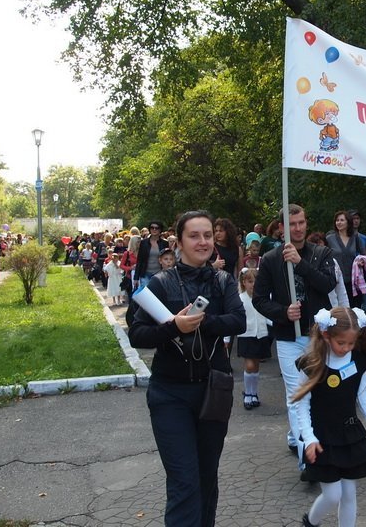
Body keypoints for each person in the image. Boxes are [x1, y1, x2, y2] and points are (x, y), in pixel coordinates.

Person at [128, 210, 246, 526]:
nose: (203, 241)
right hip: (170, 395)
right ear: (178, 242)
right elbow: (137, 334)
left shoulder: (223, 281)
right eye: (194, 236)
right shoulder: (161, 282)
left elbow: (239, 320)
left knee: (207, 477)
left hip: (214, 392)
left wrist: (201, 322)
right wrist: (174, 327)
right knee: (184, 480)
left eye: (207, 235)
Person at [253, 204, 337, 467]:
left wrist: (300, 264)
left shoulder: (321, 253)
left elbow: (328, 284)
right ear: (281, 228)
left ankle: (298, 435)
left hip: (318, 335)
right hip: (289, 337)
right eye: (292, 224)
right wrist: (282, 312)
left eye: (301, 222)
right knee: (298, 393)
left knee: (319, 391)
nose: (298, 228)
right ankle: (307, 457)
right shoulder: (270, 259)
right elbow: (259, 299)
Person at [294, 307, 366, 527]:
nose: (346, 348)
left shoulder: (358, 361)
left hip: (348, 436)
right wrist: (308, 438)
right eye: (341, 343)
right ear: (326, 335)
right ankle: (310, 523)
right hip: (322, 440)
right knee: (332, 495)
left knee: (349, 494)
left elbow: (363, 396)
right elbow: (301, 405)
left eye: (351, 343)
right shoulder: (311, 364)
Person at [237, 267, 271, 409]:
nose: (253, 284)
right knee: (249, 365)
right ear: (244, 282)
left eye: (256, 281)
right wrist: (226, 339)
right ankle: (247, 393)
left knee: (256, 366)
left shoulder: (263, 298)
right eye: (250, 281)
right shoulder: (240, 299)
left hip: (261, 334)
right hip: (246, 335)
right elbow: (235, 317)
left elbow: (268, 314)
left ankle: (253, 393)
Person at [326, 210, 366, 309]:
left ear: (348, 222)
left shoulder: (355, 237)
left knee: (354, 310)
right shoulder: (329, 238)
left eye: (342, 220)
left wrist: (361, 261)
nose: (339, 222)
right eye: (337, 220)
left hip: (353, 281)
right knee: (340, 311)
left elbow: (364, 255)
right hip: (337, 281)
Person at [135, 221, 168, 290]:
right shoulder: (144, 243)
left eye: (156, 228)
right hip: (145, 273)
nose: (154, 229)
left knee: (157, 293)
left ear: (160, 230)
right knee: (146, 293)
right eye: (152, 228)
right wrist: (136, 277)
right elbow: (139, 260)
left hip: (159, 274)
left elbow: (167, 258)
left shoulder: (165, 243)